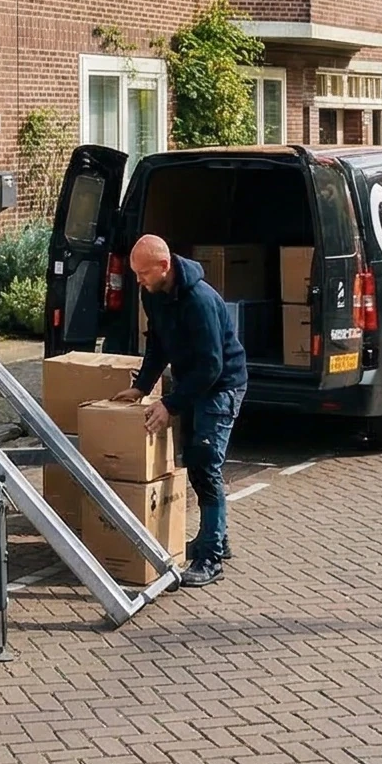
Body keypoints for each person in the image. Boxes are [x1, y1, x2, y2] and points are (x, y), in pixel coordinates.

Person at [109, 234, 247, 588]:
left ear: (164, 267)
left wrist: (170, 404)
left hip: (221, 384)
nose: (137, 280)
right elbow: (157, 342)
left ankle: (211, 558)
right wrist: (142, 385)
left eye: (142, 273)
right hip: (194, 381)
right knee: (194, 459)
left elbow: (211, 366)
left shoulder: (199, 301)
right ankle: (216, 537)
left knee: (204, 462)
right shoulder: (152, 294)